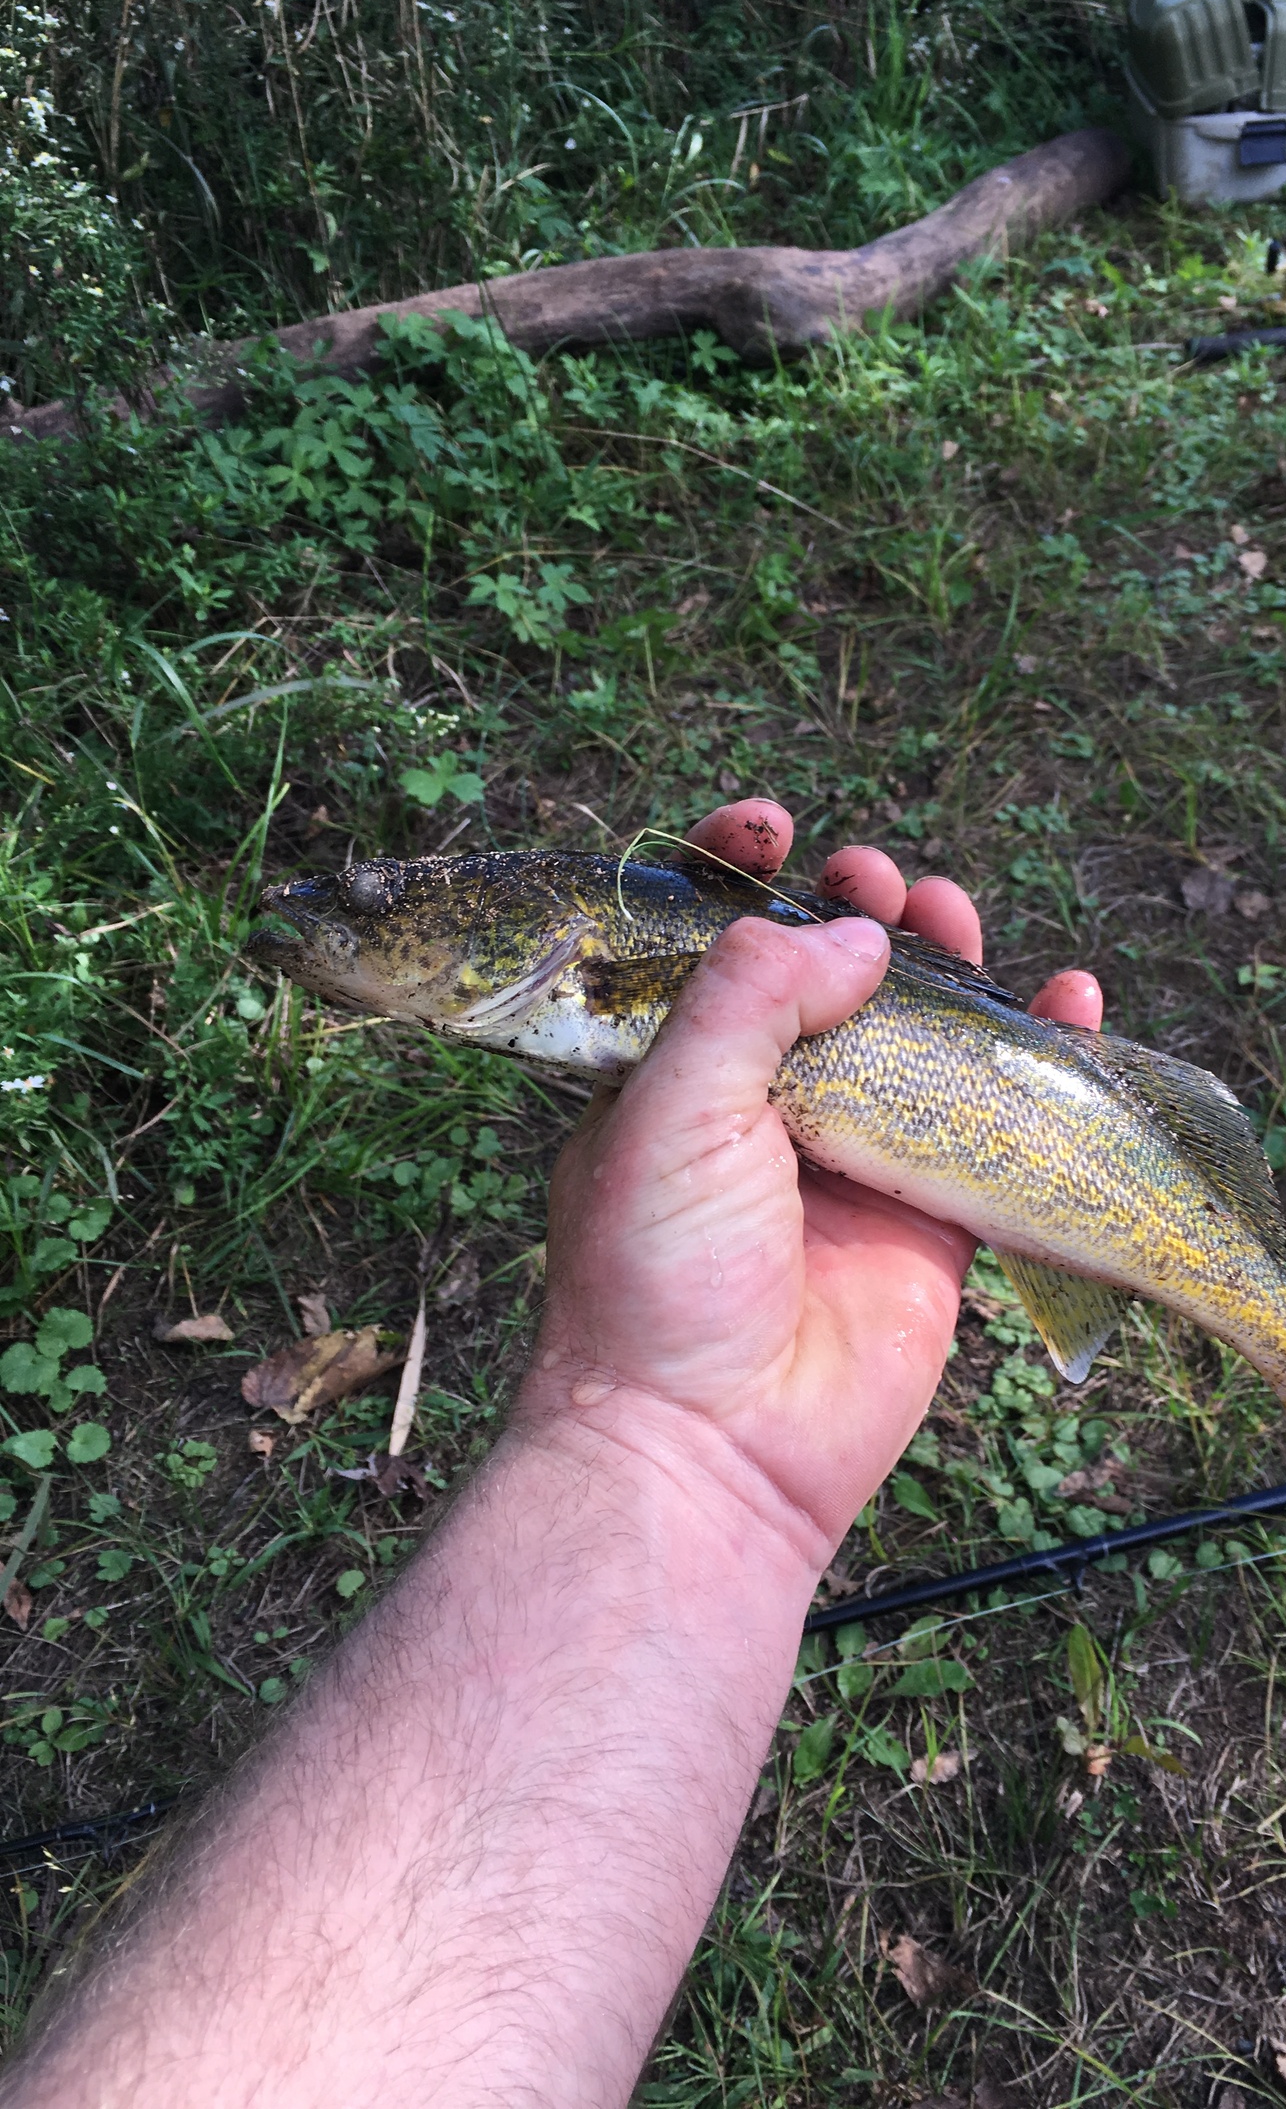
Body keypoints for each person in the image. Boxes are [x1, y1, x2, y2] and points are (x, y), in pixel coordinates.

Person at [0, 798, 1103, 2109]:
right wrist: (669, 1430)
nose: (343, 911)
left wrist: (664, 1439)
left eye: (375, 890)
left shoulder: (606, 934)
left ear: (532, 924)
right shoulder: (581, 952)